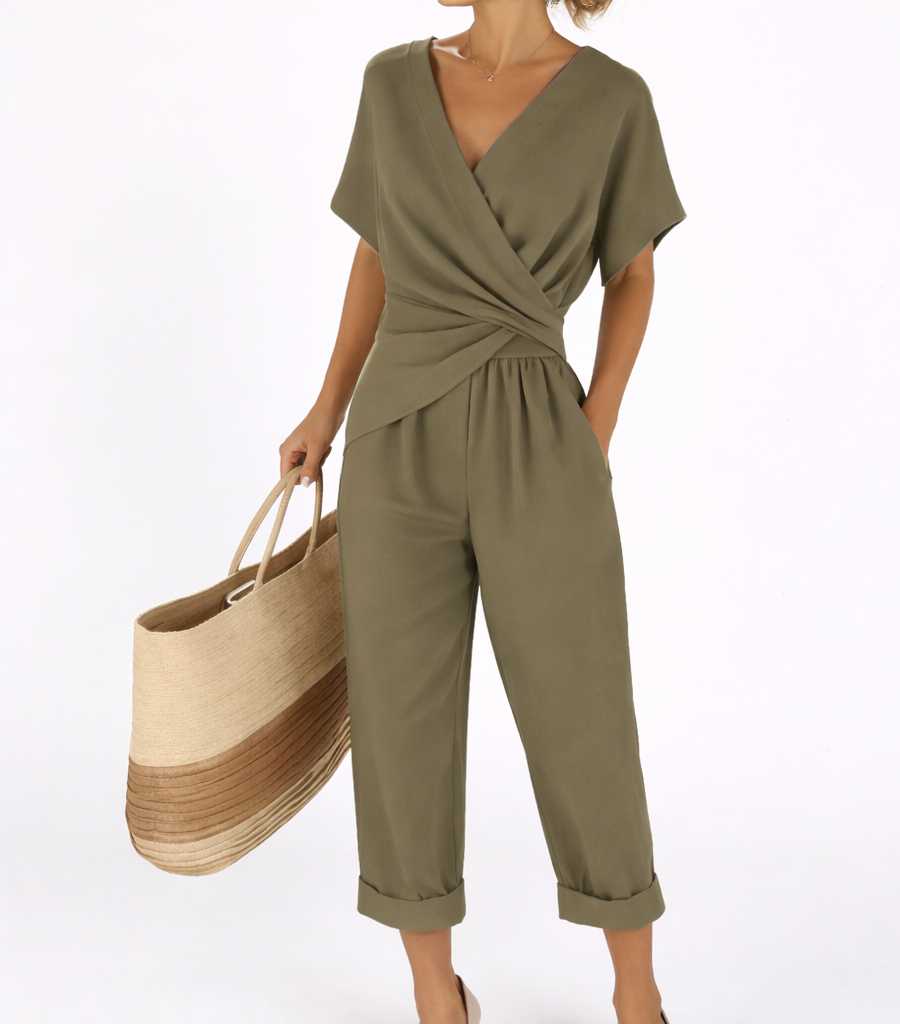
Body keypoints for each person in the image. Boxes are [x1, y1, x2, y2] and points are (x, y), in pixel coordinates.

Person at [279, 1, 686, 1021]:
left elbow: (635, 272)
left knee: (584, 715)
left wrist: (595, 424)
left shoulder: (614, 100)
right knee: (400, 718)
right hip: (396, 433)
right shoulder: (390, 81)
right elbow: (376, 254)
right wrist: (327, 408)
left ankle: (637, 991)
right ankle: (436, 992)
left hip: (538, 431)